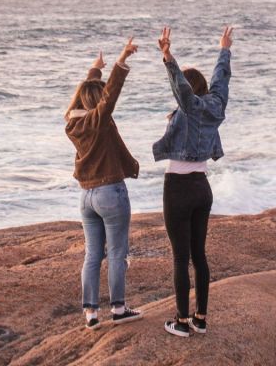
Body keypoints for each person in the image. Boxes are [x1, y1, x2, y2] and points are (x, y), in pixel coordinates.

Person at [153, 25, 234, 338]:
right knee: (199, 255)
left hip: (178, 189)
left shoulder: (191, 107)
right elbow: (221, 80)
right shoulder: (215, 106)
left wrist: (167, 57)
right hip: (203, 188)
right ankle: (201, 318)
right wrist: (224, 49)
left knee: (179, 258)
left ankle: (181, 322)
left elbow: (182, 90)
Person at [64, 36, 145, 330]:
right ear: (97, 102)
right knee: (117, 254)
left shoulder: (72, 124)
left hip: (86, 197)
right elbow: (110, 96)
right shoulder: (99, 120)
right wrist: (121, 60)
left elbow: (79, 100)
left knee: (92, 255)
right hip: (111, 193)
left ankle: (91, 314)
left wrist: (93, 72)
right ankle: (119, 308)